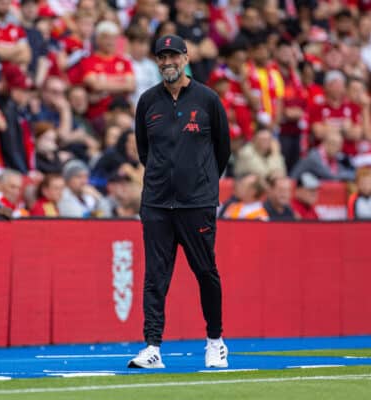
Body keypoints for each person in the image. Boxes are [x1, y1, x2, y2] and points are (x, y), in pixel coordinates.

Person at [128, 35, 231, 369]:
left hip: (196, 203)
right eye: (162, 57)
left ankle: (215, 342)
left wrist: (201, 183)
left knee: (205, 271)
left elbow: (222, 150)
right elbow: (145, 151)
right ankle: (152, 347)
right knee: (155, 277)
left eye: (173, 56)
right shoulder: (147, 102)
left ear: (185, 59)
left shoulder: (207, 99)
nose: (167, 62)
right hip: (157, 203)